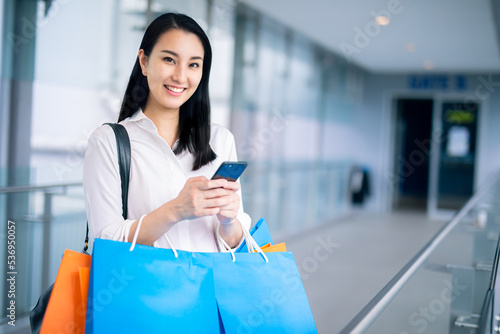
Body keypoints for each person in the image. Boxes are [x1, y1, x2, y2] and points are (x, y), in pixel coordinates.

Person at [83, 13, 250, 252]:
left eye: (193, 64)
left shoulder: (220, 141)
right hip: (142, 288)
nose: (180, 76)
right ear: (144, 61)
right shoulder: (109, 142)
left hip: (209, 287)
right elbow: (105, 241)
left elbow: (233, 246)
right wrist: (176, 210)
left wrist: (228, 221)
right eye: (169, 60)